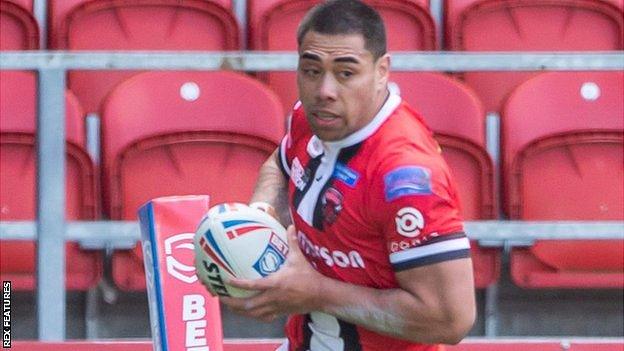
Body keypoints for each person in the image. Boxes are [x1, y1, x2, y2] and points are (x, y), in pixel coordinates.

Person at [220, 1, 476, 350]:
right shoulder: (311, 118)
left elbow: (451, 319)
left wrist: (316, 293)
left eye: (345, 73)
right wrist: (259, 219)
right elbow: (280, 165)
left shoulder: (404, 176)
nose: (324, 91)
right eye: (311, 71)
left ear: (382, 71)